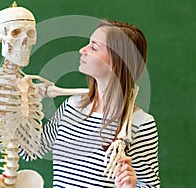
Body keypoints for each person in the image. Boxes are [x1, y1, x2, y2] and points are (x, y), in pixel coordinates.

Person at [19, 20, 160, 187]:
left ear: (117, 61)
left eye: (93, 47)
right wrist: (10, 113)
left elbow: (149, 184)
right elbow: (31, 150)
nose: (82, 50)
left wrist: (131, 186)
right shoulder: (71, 106)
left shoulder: (141, 124)